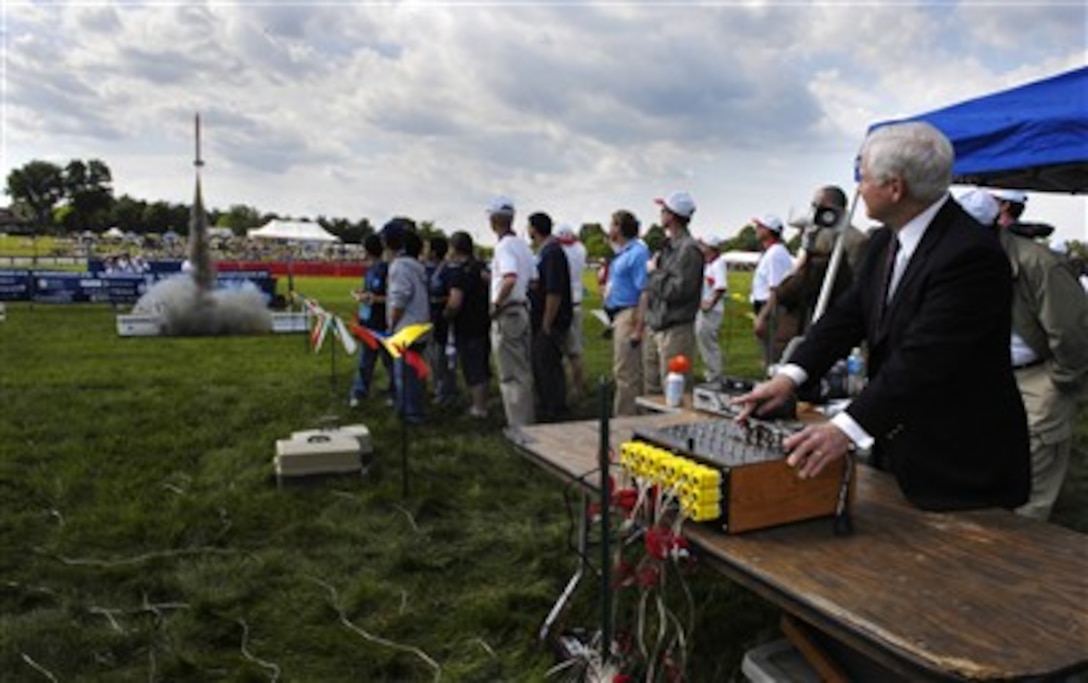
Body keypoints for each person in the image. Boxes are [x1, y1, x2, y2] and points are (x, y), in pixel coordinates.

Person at [735, 121, 1030, 512]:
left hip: (961, 465)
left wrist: (845, 429)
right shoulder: (884, 241)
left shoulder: (970, 255)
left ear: (895, 188)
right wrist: (791, 376)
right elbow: (848, 316)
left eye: (864, 177)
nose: (858, 188)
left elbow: (926, 358)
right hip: (901, 449)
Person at [983, 188, 1088, 519]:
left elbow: (1071, 330)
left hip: (1037, 380)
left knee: (1031, 492)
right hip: (993, 379)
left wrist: (1059, 382)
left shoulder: (1037, 262)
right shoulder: (976, 257)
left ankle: (1021, 564)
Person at [775, 186, 870, 339]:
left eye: (815, 205)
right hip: (806, 314)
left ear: (829, 206)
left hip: (835, 318)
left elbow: (854, 284)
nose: (812, 210)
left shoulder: (857, 241)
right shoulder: (814, 237)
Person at [639, 191, 704, 396]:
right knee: (652, 387)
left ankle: (677, 428)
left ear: (673, 215)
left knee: (676, 390)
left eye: (664, 210)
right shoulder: (668, 246)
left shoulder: (689, 250)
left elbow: (679, 291)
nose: (660, 213)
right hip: (657, 325)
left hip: (675, 329)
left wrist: (654, 273)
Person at [487, 195, 537, 427]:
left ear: (495, 220)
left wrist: (496, 304)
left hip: (508, 312)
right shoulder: (523, 246)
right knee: (523, 369)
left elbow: (509, 278)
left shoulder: (504, 246)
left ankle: (520, 427)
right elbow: (534, 281)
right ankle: (528, 418)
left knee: (511, 375)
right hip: (523, 309)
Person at [383, 219, 430, 424]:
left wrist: (392, 324)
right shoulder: (416, 265)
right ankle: (415, 407)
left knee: (404, 374)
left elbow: (400, 297)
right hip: (420, 325)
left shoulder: (400, 266)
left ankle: (410, 413)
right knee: (414, 372)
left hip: (405, 327)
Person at [527, 212, 573, 422]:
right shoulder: (546, 251)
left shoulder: (552, 253)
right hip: (544, 319)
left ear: (534, 229)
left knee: (547, 365)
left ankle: (554, 409)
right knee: (542, 364)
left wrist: (546, 323)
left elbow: (554, 291)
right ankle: (549, 404)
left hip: (551, 321)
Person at [605, 210, 651, 415]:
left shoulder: (638, 253)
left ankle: (625, 419)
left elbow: (644, 291)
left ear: (619, 228)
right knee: (624, 370)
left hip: (630, 313)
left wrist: (638, 328)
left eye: (612, 225)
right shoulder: (623, 253)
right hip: (619, 314)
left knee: (626, 372)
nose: (609, 229)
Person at [444, 231, 492, 419]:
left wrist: (446, 314)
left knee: (472, 368)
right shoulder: (482, 267)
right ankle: (484, 403)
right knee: (482, 364)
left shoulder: (459, 271)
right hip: (483, 321)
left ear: (454, 248)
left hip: (466, 325)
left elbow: (455, 301)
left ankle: (478, 408)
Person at [349, 233, 395, 408]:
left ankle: (393, 393)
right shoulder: (371, 270)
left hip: (382, 323)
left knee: (388, 362)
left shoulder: (386, 269)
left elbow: (390, 297)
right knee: (365, 361)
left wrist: (371, 298)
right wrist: (361, 295)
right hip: (368, 323)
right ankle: (359, 393)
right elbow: (370, 292)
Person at [750, 214, 794, 368]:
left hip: (771, 308)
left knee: (773, 354)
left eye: (760, 227)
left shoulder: (775, 254)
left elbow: (775, 289)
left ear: (769, 231)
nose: (756, 229)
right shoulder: (772, 252)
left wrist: (762, 317)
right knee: (769, 352)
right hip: (766, 306)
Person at [556, 223, 588, 402]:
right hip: (576, 301)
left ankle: (576, 387)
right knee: (575, 351)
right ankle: (577, 386)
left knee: (567, 351)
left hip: (565, 302)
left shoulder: (561, 251)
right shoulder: (580, 249)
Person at [426, 235, 458, 406]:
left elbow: (452, 294)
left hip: (443, 319)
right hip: (431, 318)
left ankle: (447, 391)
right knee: (433, 356)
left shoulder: (447, 270)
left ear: (433, 251)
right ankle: (439, 387)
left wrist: (440, 301)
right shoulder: (429, 268)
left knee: (443, 356)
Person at [695, 235, 729, 384]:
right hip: (706, 310)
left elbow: (720, 286)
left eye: (705, 247)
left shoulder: (718, 264)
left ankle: (714, 375)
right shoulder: (710, 264)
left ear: (711, 249)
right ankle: (711, 373)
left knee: (708, 343)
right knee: (704, 342)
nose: (702, 250)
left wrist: (710, 303)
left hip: (711, 311)